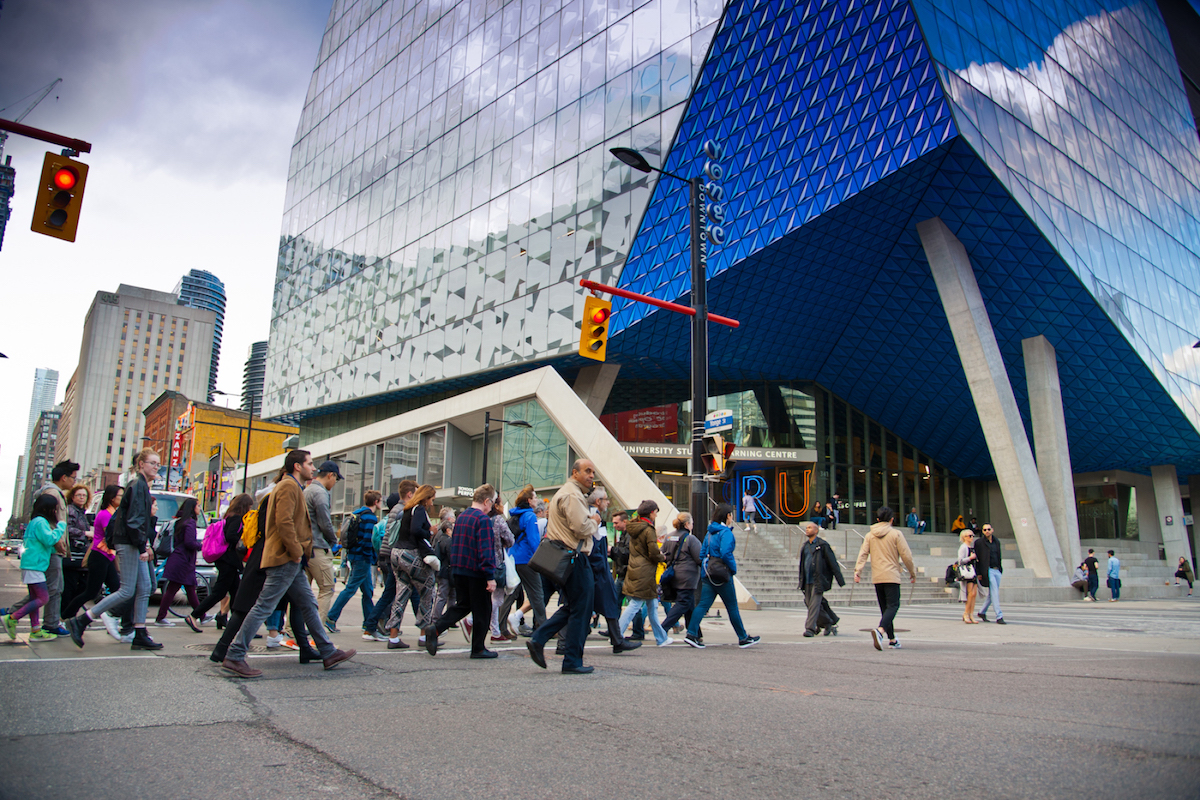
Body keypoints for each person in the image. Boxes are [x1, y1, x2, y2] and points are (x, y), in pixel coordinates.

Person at [220, 450, 356, 678]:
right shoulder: (288, 487)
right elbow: (283, 522)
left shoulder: (294, 487)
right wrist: (295, 552)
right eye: (310, 464)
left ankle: (327, 651)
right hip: (285, 557)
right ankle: (234, 655)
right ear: (297, 466)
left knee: (308, 604)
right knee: (264, 605)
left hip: (290, 558)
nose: (314, 468)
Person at [65, 448, 163, 651]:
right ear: (141, 465)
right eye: (152, 463)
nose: (156, 467)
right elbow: (134, 521)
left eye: (158, 464)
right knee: (127, 589)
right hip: (128, 543)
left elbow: (139, 521)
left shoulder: (141, 486)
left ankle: (140, 632)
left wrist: (144, 543)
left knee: (145, 587)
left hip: (133, 541)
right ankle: (82, 620)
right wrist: (141, 545)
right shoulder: (137, 485)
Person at [527, 460, 599, 674]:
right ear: (574, 472)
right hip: (574, 557)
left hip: (567, 557)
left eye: (593, 472)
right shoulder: (572, 494)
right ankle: (572, 661)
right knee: (582, 609)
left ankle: (539, 639)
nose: (591, 475)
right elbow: (581, 527)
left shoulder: (570, 493)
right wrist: (594, 520)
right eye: (587, 471)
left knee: (574, 606)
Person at [427, 484, 498, 659]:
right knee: (483, 609)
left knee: (463, 605)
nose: (493, 507)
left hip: (459, 569)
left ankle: (436, 627)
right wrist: (490, 576)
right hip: (476, 570)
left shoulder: (461, 517)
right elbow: (485, 549)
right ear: (487, 501)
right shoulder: (483, 520)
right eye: (493, 502)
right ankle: (478, 648)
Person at [683, 504, 759, 649]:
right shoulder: (726, 533)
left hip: (709, 573)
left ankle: (691, 634)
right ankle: (743, 637)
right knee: (732, 607)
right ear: (728, 516)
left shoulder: (709, 533)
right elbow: (726, 553)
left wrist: (707, 564)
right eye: (731, 515)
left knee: (703, 605)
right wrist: (733, 568)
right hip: (722, 574)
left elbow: (702, 553)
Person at [20, 459, 80, 638]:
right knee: (51, 589)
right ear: (63, 477)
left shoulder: (55, 493)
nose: (74, 482)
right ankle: (15, 614)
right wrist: (57, 541)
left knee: (51, 589)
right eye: (73, 478)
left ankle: (48, 623)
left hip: (54, 547)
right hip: (52, 547)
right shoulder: (52, 494)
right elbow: (51, 521)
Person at [2, 494, 66, 640]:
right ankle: (12, 618)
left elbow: (42, 544)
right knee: (43, 598)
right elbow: (50, 539)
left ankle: (35, 630)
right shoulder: (41, 522)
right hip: (35, 566)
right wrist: (61, 526)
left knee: (34, 599)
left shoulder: (34, 522)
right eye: (54, 509)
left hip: (32, 565)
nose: (56, 512)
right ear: (48, 509)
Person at [387, 484, 440, 652]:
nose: (432, 503)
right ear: (425, 498)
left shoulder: (407, 509)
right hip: (411, 553)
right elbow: (416, 530)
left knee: (401, 593)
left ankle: (393, 636)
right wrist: (430, 532)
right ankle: (424, 635)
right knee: (427, 589)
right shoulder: (418, 509)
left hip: (396, 553)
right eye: (431, 499)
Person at [587, 487, 640, 654]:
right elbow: (593, 546)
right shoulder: (593, 517)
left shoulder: (597, 517)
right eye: (605, 499)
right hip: (597, 569)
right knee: (578, 606)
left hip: (604, 569)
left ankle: (617, 639)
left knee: (610, 603)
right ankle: (550, 639)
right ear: (598, 501)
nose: (608, 502)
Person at [854, 506, 916, 650]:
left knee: (885, 609)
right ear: (891, 519)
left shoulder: (870, 535)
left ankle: (893, 639)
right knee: (893, 605)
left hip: (877, 576)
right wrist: (912, 573)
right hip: (892, 575)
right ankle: (881, 631)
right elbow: (906, 555)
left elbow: (863, 553)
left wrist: (858, 571)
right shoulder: (896, 534)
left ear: (877, 519)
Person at [62, 485, 123, 625]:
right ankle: (65, 618)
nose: (123, 499)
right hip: (99, 556)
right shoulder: (106, 514)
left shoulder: (113, 513)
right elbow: (112, 537)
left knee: (116, 589)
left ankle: (116, 618)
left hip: (107, 557)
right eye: (121, 496)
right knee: (90, 592)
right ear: (112, 498)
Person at [190, 493, 253, 627]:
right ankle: (194, 615)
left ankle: (238, 625)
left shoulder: (229, 517)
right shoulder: (237, 519)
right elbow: (231, 536)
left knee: (236, 594)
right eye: (249, 506)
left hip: (226, 561)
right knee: (219, 593)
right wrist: (242, 541)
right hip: (228, 561)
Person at [615, 500, 671, 646]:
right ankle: (617, 634)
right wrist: (662, 557)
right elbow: (653, 552)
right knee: (635, 604)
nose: (656, 515)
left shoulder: (634, 528)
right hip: (646, 571)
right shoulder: (648, 529)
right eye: (656, 512)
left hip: (636, 567)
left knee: (652, 606)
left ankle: (661, 638)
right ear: (652, 512)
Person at [325, 490, 380, 633]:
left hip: (354, 555)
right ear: (376, 502)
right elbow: (368, 540)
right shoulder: (370, 518)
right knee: (351, 588)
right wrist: (371, 557)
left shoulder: (357, 514)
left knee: (367, 591)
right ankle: (331, 617)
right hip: (363, 558)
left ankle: (369, 622)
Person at [362, 488, 409, 641]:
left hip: (385, 557)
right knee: (393, 594)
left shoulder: (387, 517)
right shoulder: (400, 511)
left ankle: (373, 625)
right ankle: (374, 625)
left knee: (391, 594)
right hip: (394, 557)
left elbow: (376, 540)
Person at [154, 497, 204, 631]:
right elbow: (189, 542)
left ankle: (202, 615)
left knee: (187, 589)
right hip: (183, 561)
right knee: (178, 589)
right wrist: (201, 545)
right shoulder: (190, 523)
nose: (199, 508)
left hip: (178, 559)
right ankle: (161, 617)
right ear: (192, 508)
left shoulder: (179, 521)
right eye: (198, 506)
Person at [304, 461, 343, 622]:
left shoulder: (306, 490)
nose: (334, 483)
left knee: (302, 592)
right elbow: (325, 522)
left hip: (305, 547)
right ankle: (317, 631)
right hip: (317, 547)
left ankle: (291, 631)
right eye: (336, 479)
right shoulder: (320, 493)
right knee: (327, 588)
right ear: (330, 475)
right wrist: (334, 540)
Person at [509, 485, 547, 634]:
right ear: (529, 500)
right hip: (527, 559)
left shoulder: (515, 515)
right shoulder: (530, 516)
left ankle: (500, 624)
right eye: (535, 497)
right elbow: (533, 540)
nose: (536, 500)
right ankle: (543, 627)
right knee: (537, 593)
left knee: (510, 594)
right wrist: (539, 558)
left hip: (514, 558)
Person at [798, 521, 845, 636]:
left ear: (816, 530)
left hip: (818, 580)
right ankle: (828, 621)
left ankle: (810, 629)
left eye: (810, 528)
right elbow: (802, 564)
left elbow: (833, 563)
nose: (807, 529)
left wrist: (840, 579)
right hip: (807, 580)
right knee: (810, 603)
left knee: (814, 604)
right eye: (807, 528)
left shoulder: (822, 545)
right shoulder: (805, 546)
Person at [487, 494, 515, 643]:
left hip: (484, 561)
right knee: (497, 599)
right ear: (496, 506)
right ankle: (473, 621)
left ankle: (495, 631)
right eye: (501, 504)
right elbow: (510, 539)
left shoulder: (484, 518)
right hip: (497, 561)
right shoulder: (498, 520)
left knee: (491, 597)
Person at [62, 485, 92, 607]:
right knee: (70, 586)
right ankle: (64, 613)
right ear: (72, 497)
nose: (81, 497)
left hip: (81, 554)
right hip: (72, 553)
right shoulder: (70, 510)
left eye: (84, 495)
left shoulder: (82, 512)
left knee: (83, 585)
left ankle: (69, 611)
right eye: (78, 495)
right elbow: (67, 529)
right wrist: (85, 533)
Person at [975, 523, 1005, 623]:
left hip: (997, 570)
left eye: (988, 529)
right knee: (995, 593)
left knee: (992, 593)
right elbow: (977, 559)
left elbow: (998, 555)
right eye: (984, 530)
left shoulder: (996, 541)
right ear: (982, 531)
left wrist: (1000, 569)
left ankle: (982, 611)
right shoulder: (979, 543)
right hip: (988, 570)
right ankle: (999, 616)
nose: (987, 531)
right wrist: (979, 573)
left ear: (992, 530)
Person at [957, 530, 979, 624]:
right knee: (970, 593)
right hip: (968, 572)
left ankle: (971, 614)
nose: (971, 537)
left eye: (972, 536)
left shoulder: (972, 547)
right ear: (964, 537)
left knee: (974, 594)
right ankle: (966, 613)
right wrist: (970, 558)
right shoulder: (963, 547)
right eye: (969, 536)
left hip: (974, 571)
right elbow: (960, 561)